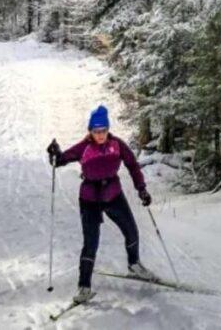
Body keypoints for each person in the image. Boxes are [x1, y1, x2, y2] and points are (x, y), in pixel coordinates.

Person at [47, 104, 156, 303]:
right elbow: (61, 160)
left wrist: (141, 188)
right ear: (90, 131)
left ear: (108, 129)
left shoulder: (117, 145)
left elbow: (132, 165)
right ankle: (84, 287)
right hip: (90, 199)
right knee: (91, 243)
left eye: (103, 130)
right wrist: (54, 153)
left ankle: (134, 264)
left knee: (131, 230)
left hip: (114, 194)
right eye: (96, 131)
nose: (100, 135)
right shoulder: (84, 147)